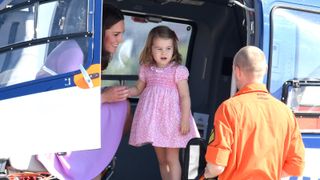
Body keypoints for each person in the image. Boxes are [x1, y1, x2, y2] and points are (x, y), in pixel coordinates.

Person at [37, 4, 131, 180]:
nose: (120, 40)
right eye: (116, 34)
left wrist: (107, 94)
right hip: (53, 131)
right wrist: (104, 97)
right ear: (101, 32)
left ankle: (99, 163)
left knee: (122, 104)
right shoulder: (74, 53)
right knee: (121, 106)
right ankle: (93, 167)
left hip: (63, 120)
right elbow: (66, 103)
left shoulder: (83, 52)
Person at [203, 46, 305, 179]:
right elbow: (296, 165)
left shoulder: (229, 108)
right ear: (266, 70)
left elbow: (216, 166)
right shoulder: (286, 112)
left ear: (237, 71)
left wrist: (206, 172)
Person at [128, 25, 200, 180]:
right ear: (150, 49)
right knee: (162, 160)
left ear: (174, 49)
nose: (164, 52)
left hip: (173, 121)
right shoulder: (146, 69)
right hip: (154, 121)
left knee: (172, 159)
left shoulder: (178, 70)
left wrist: (185, 119)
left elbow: (184, 96)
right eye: (159, 48)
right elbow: (138, 89)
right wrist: (126, 92)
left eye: (168, 48)